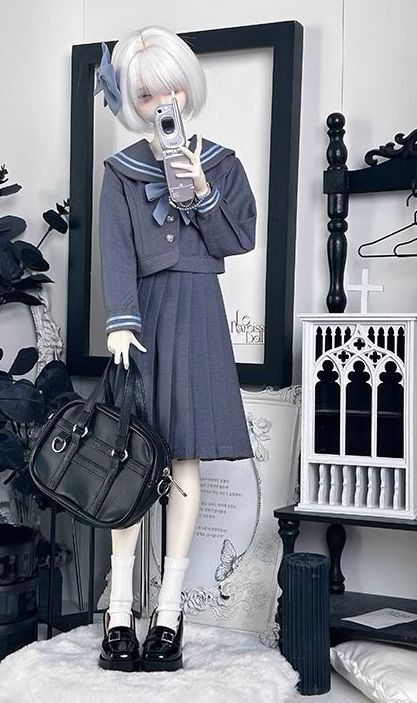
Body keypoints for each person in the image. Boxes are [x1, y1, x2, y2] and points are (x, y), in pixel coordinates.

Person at [94, 25, 257, 672]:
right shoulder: (120, 172)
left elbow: (236, 240)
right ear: (133, 102)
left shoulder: (222, 161)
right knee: (129, 460)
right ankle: (118, 612)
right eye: (145, 92)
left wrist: (203, 191)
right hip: (142, 318)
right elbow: (114, 252)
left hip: (198, 313)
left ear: (187, 86)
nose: (161, 100)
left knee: (184, 454)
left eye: (169, 87)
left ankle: (168, 611)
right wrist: (119, 321)